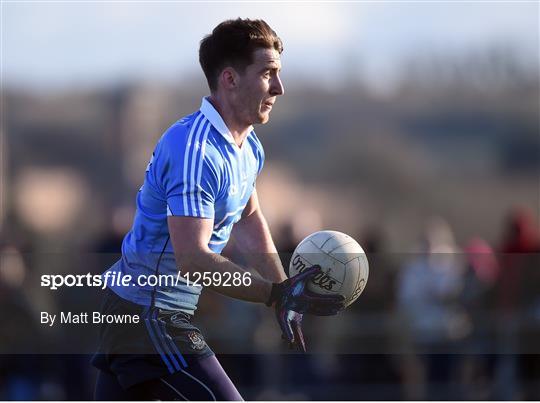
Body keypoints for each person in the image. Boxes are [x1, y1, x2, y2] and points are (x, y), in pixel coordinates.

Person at [92, 18, 344, 400]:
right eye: (267, 74)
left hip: (148, 311)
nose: (279, 87)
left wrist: (283, 289)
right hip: (148, 312)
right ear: (229, 79)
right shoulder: (194, 151)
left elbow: (249, 217)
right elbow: (194, 258)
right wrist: (271, 294)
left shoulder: (248, 146)